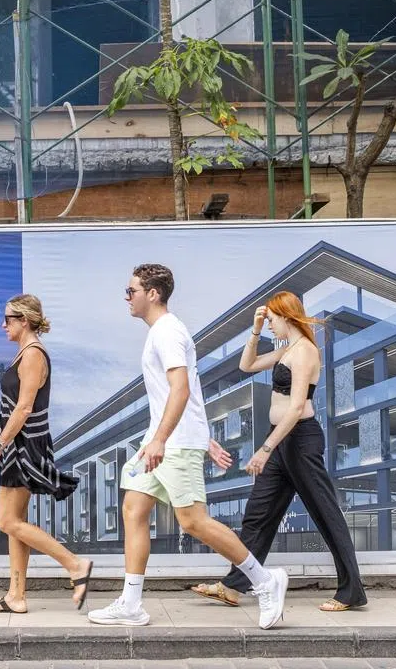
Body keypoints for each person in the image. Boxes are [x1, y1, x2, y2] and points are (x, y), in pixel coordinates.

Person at [88, 264, 289, 629]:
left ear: (152, 293)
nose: (126, 297)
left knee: (193, 521)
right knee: (134, 508)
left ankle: (264, 581)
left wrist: (167, 439)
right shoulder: (162, 333)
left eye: (130, 290)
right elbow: (187, 393)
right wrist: (203, 436)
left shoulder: (167, 332)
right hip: (168, 438)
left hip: (172, 443)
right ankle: (131, 603)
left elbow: (181, 389)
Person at [191, 291, 367, 612]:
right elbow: (247, 365)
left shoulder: (305, 353)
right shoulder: (287, 350)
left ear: (286, 316)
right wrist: (255, 329)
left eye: (272, 320)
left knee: (325, 514)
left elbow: (298, 405)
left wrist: (265, 449)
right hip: (280, 438)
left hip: (300, 441)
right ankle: (233, 586)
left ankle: (351, 591)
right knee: (258, 515)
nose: (271, 326)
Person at [0, 293, 93, 615]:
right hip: (21, 444)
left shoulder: (33, 355)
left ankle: (74, 564)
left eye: (8, 319)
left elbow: (25, 407)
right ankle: (16, 595)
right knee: (15, 522)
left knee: (5, 521)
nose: (3, 325)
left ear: (24, 321)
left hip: (23, 446)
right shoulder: (25, 353)